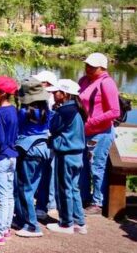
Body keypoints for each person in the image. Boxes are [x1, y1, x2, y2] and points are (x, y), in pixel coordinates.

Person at [78, 52, 120, 216]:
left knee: (97, 168)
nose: (88, 68)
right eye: (87, 65)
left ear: (102, 68)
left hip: (100, 133)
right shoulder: (83, 80)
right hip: (83, 132)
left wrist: (91, 122)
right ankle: (84, 198)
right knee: (83, 168)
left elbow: (114, 111)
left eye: (92, 67)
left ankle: (98, 202)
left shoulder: (107, 83)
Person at [45, 80, 87, 235]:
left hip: (66, 154)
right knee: (74, 188)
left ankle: (66, 223)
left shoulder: (65, 111)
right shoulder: (77, 109)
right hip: (77, 154)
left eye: (56, 92)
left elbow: (53, 127)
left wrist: (54, 112)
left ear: (65, 94)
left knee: (64, 189)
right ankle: (79, 222)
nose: (53, 94)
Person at [13, 79, 50, 238]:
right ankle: (23, 219)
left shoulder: (23, 113)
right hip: (42, 150)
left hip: (28, 151)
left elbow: (17, 128)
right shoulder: (47, 111)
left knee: (24, 189)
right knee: (31, 188)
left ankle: (32, 226)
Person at [0, 76, 19, 246]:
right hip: (12, 156)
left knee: (1, 197)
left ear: (2, 93)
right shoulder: (13, 110)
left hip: (0, 157)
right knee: (8, 196)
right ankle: (6, 228)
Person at [30, 71, 57, 221]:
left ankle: (46, 205)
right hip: (44, 143)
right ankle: (42, 205)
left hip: (49, 144)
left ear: (48, 84)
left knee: (48, 174)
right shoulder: (43, 100)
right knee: (41, 174)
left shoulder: (52, 103)